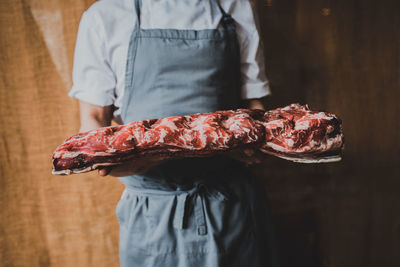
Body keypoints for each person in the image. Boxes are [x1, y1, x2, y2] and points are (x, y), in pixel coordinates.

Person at [69, 0, 278, 266]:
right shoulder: (104, 16)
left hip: (230, 207)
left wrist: (254, 143)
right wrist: (123, 161)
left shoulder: (234, 5)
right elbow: (93, 121)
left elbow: (253, 107)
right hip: (151, 214)